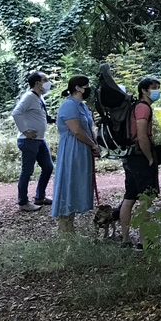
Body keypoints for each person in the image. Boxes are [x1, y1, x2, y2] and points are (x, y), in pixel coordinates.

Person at [51, 76, 101, 234]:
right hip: (72, 149)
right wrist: (92, 144)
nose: (88, 88)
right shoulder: (69, 106)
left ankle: (69, 227)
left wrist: (95, 145)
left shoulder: (83, 106)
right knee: (69, 182)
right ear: (78, 88)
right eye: (86, 86)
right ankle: (64, 227)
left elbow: (89, 128)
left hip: (82, 149)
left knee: (78, 182)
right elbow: (77, 131)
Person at [119, 77, 161, 247]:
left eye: (158, 87)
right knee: (145, 199)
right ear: (144, 90)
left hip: (130, 156)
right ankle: (144, 241)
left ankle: (125, 238)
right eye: (153, 87)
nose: (157, 90)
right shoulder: (143, 108)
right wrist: (150, 158)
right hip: (139, 157)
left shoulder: (135, 106)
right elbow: (142, 135)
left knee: (129, 197)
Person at [11, 71, 55, 212]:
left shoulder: (39, 97)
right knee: (27, 171)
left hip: (39, 140)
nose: (47, 82)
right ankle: (23, 202)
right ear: (37, 83)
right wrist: (25, 131)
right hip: (29, 141)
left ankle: (40, 197)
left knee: (48, 167)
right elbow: (16, 112)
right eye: (45, 80)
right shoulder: (29, 97)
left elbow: (40, 116)